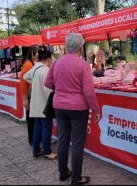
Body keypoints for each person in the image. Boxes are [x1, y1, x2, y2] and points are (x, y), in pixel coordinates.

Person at [45, 33, 102, 185]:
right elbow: (89, 92)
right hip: (78, 108)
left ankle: (63, 173)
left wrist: (61, 87)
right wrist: (96, 110)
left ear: (66, 46)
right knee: (77, 143)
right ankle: (77, 178)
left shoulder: (56, 62)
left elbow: (48, 83)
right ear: (81, 47)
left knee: (63, 140)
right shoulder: (82, 64)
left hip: (59, 106)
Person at [23, 47, 57, 160]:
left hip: (35, 103)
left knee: (37, 127)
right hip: (44, 104)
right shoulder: (46, 70)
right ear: (48, 59)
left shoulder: (35, 67)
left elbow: (25, 76)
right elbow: (49, 89)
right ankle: (47, 152)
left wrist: (35, 83)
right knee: (47, 127)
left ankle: (36, 150)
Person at [20, 46, 42, 148]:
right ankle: (32, 141)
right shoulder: (28, 64)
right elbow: (23, 83)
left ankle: (37, 140)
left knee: (35, 118)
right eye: (38, 52)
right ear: (34, 53)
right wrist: (25, 99)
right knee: (32, 119)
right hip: (30, 94)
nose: (40, 54)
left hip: (34, 94)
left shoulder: (34, 64)